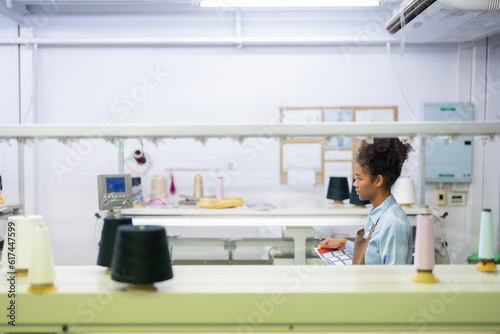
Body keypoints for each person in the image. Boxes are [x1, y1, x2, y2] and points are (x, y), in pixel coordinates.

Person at [319, 138, 413, 265]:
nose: (354, 184)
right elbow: (371, 254)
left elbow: (394, 278)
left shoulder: (393, 223)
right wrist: (343, 242)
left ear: (378, 180)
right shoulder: (378, 214)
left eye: (359, 179)